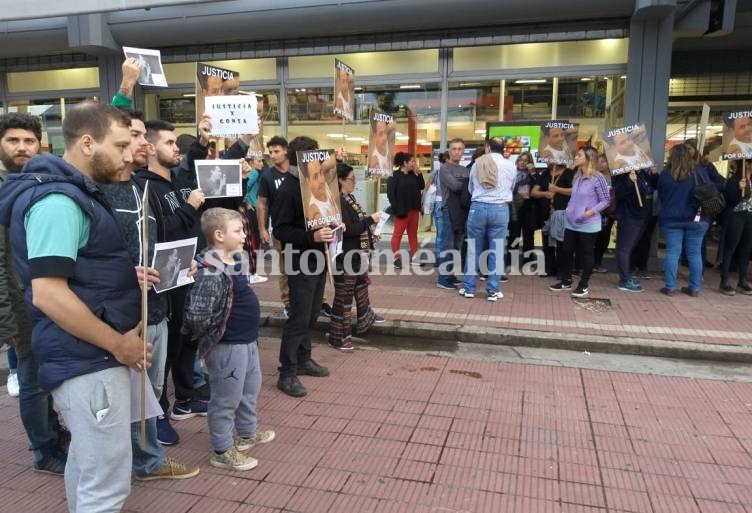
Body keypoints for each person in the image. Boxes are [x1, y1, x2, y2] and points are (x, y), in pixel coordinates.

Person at [0, 102, 152, 512]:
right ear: (87, 143)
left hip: (86, 357)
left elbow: (78, 269)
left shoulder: (71, 194)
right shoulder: (58, 202)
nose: (130, 154)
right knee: (105, 481)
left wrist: (121, 275)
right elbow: (49, 293)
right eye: (121, 144)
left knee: (89, 466)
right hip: (88, 360)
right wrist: (118, 345)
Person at [99, 109, 199, 480]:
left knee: (150, 391)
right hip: (122, 318)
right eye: (130, 137)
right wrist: (125, 275)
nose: (140, 143)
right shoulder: (94, 192)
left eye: (141, 136)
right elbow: (87, 260)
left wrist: (181, 266)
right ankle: (135, 462)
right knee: (123, 398)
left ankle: (145, 458)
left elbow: (158, 248)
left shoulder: (141, 188)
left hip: (157, 307)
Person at [0, 112, 68, 474]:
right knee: (31, 378)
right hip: (20, 306)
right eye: (13, 140)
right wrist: (7, 320)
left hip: (45, 297)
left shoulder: (38, 180)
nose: (21, 147)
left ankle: (52, 430)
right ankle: (43, 449)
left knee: (46, 373)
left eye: (28, 141)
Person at [183, 208, 276, 470]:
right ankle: (222, 450)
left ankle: (246, 433)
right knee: (225, 400)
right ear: (219, 235)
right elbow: (198, 316)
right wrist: (212, 340)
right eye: (239, 231)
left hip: (247, 340)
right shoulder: (208, 269)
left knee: (249, 389)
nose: (245, 235)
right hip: (227, 345)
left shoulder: (236, 259)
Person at [135, 120, 207, 433]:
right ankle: (159, 412)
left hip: (186, 271)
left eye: (176, 142)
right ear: (149, 148)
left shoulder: (177, 181)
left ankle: (186, 398)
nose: (176, 147)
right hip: (161, 280)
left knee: (187, 338)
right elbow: (158, 234)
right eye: (169, 142)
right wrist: (190, 208)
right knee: (165, 350)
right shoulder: (144, 186)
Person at [270, 139, 334, 398]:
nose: (317, 161)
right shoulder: (288, 188)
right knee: (299, 316)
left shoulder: (317, 184)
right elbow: (281, 230)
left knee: (312, 313)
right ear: (303, 158)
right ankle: (287, 372)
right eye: (314, 155)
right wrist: (312, 238)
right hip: (299, 259)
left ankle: (304, 358)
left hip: (319, 258)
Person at [328, 163, 385, 351]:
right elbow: (347, 230)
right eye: (352, 179)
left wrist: (370, 234)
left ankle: (365, 318)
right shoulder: (337, 203)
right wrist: (370, 220)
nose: (355, 182)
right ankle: (338, 335)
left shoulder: (349, 198)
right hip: (345, 257)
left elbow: (357, 225)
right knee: (343, 297)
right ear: (341, 180)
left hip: (356, 255)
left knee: (360, 287)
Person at [458, 137, 517, 301]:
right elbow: (512, 187)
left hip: (478, 208)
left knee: (473, 249)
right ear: (503, 149)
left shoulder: (478, 163)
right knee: (497, 251)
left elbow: (470, 188)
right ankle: (493, 290)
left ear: (488, 148)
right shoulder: (510, 165)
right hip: (500, 209)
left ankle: (469, 288)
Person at [549, 146, 610, 298]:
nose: (575, 157)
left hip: (588, 224)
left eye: (579, 155)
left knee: (586, 255)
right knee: (566, 251)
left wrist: (589, 212)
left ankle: (583, 285)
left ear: (589, 158)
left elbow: (606, 200)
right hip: (571, 222)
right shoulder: (577, 176)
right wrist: (570, 210)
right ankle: (566, 280)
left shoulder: (598, 177)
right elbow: (574, 197)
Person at [656, 144, 712, 297]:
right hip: (697, 219)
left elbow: (661, 196)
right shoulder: (699, 172)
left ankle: (670, 287)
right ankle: (694, 288)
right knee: (695, 253)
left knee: (672, 252)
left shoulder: (665, 175)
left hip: (672, 219)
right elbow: (710, 191)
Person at [257, 136, 292, 315]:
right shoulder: (268, 175)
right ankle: (287, 302)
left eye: (276, 151)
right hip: (279, 230)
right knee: (286, 268)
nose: (273, 155)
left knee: (311, 266)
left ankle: (319, 301)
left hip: (302, 229)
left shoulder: (296, 171)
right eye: (270, 152)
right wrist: (263, 228)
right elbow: (262, 203)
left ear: (286, 150)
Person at [612, 166, 658, 292]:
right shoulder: (621, 175)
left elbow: (653, 187)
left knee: (630, 247)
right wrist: (630, 182)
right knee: (624, 249)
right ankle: (624, 280)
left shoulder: (642, 174)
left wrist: (654, 174)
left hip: (641, 217)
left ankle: (627, 275)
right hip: (629, 217)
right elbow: (619, 194)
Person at [436, 138, 469, 289]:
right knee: (446, 244)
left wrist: (466, 184)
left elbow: (469, 187)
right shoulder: (444, 169)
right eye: (454, 149)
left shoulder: (464, 169)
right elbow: (456, 186)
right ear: (449, 151)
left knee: (456, 245)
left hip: (462, 211)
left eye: (460, 149)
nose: (457, 152)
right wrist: (466, 183)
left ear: (463, 151)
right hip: (448, 211)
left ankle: (449, 274)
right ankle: (442, 279)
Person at [719, 159, 752, 295]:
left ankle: (742, 280)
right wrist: (739, 190)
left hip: (750, 217)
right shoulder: (734, 180)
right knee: (730, 247)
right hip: (736, 216)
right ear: (746, 164)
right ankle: (724, 280)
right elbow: (730, 199)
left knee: (746, 249)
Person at [387, 152, 424, 268]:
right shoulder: (394, 176)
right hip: (402, 210)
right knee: (397, 235)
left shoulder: (414, 174)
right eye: (412, 161)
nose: (414, 163)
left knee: (413, 234)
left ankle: (415, 257)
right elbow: (391, 194)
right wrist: (397, 209)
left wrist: (419, 174)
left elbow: (421, 186)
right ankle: (396, 259)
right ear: (405, 163)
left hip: (414, 209)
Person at [593, 154, 615, 274]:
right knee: (592, 238)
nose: (600, 164)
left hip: (608, 212)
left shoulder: (614, 177)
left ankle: (597, 262)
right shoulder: (593, 176)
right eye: (598, 161)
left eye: (603, 161)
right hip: (594, 211)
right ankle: (589, 263)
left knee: (604, 238)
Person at [302, 156, 339, 226]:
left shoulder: (326, 189)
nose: (322, 180)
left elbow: (338, 216)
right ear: (308, 181)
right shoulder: (313, 209)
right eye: (315, 177)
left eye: (321, 173)